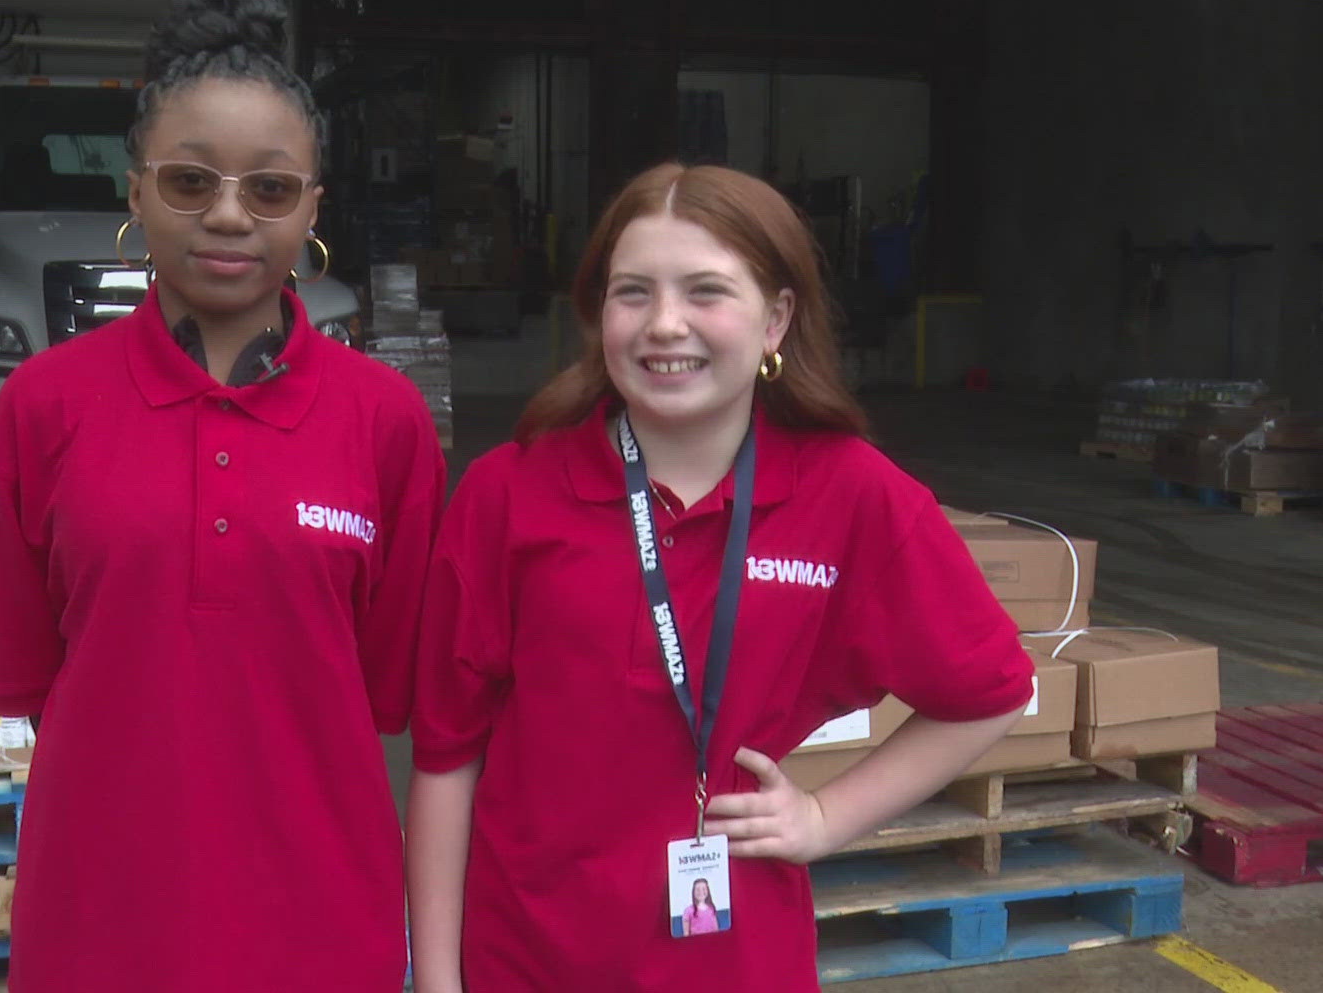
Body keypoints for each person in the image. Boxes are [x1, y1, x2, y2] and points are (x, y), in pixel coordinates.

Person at [404, 163, 1035, 991]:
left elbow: (989, 691)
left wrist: (822, 817)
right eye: (632, 293)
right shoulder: (508, 495)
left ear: (776, 320)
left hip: (737, 962)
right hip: (527, 954)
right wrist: (441, 982)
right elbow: (446, 757)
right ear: (598, 316)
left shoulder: (850, 496)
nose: (665, 325)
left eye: (706, 291)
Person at [0, 0, 446, 992]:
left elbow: (387, 683)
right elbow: (22, 674)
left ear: (313, 208)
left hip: (322, 918)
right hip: (97, 918)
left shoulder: (386, 422)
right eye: (190, 183)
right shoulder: (42, 407)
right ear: (134, 192)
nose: (229, 217)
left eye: (270, 190)